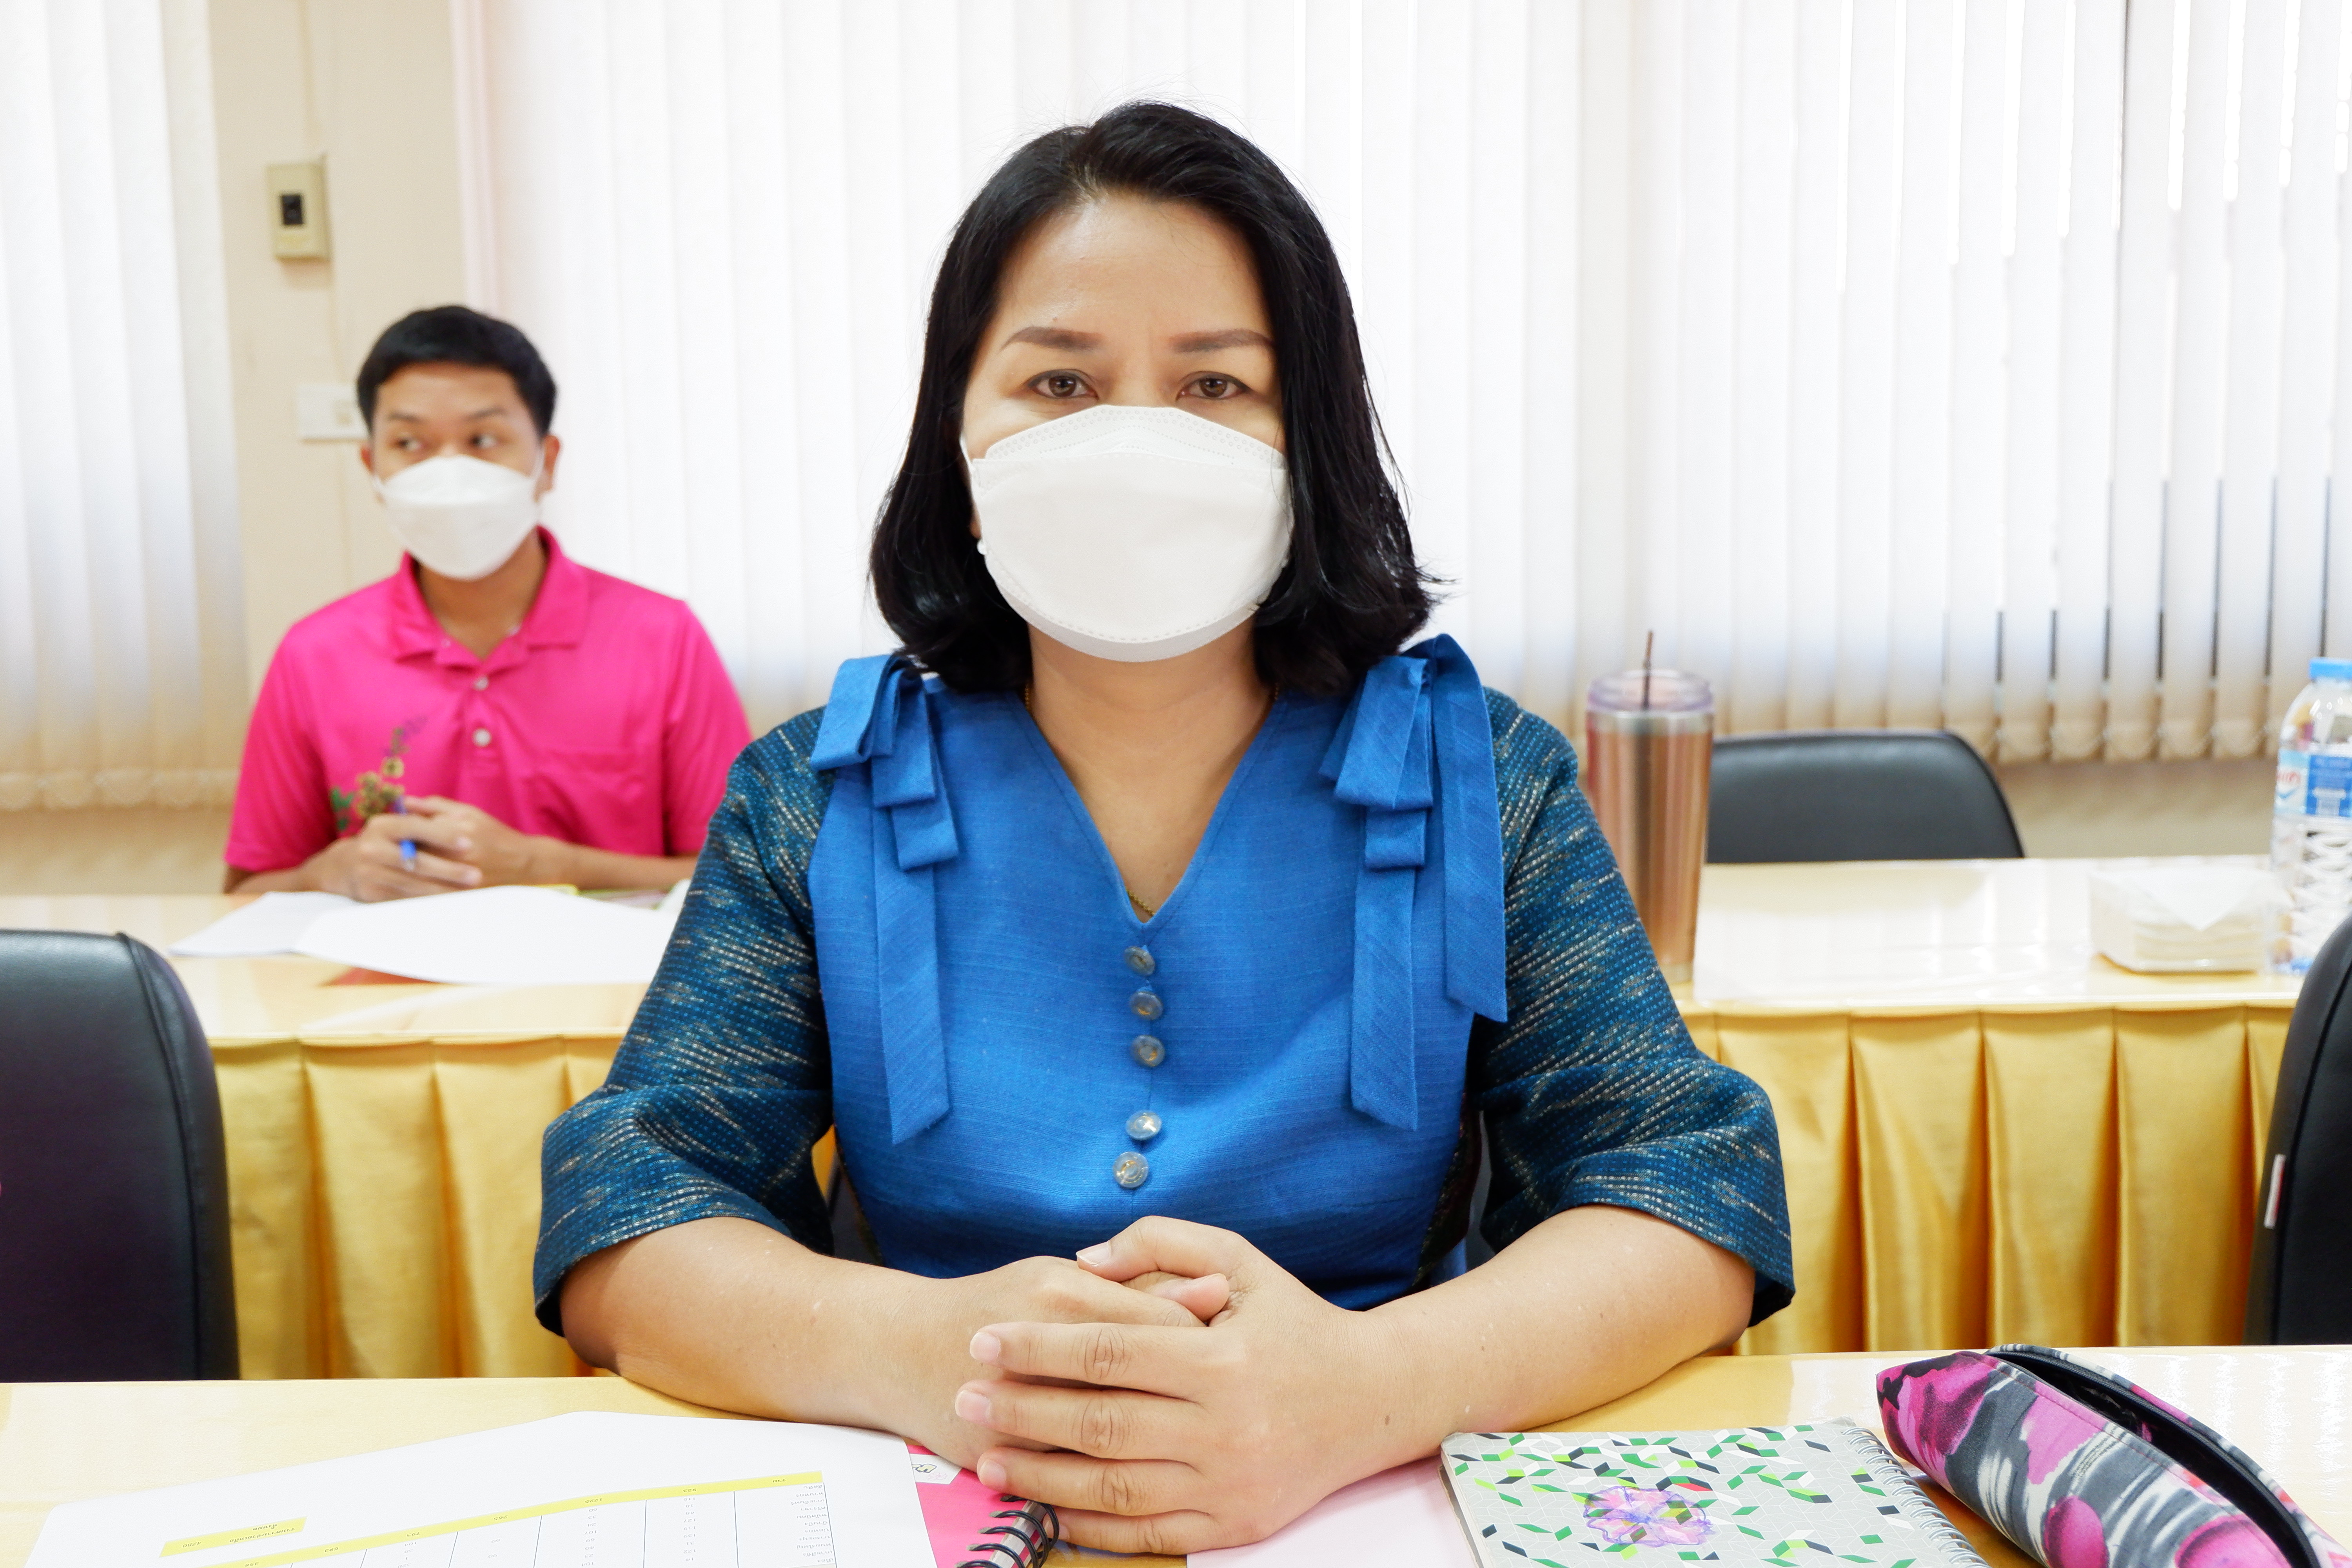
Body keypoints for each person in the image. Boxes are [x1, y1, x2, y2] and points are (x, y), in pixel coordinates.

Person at [535, 104, 1793, 1553]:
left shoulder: (1488, 779)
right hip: (934, 1494)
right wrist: (910, 1352)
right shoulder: (811, 794)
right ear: (961, 436)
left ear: (1307, 439)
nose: (1134, 441)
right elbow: (629, 1207)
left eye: (1214, 385)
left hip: (1369, 1504)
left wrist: (1370, 1388)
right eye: (1061, 382)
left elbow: (1684, 1183)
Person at [224, 307, 750, 900]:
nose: (449, 471)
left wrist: (546, 865)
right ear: (373, 468)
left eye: (483, 440)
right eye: (410, 443)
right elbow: (245, 895)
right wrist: (332, 873)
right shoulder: (315, 654)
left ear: (547, 462)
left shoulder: (662, 639)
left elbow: (745, 881)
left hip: (604, 961)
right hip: (386, 961)